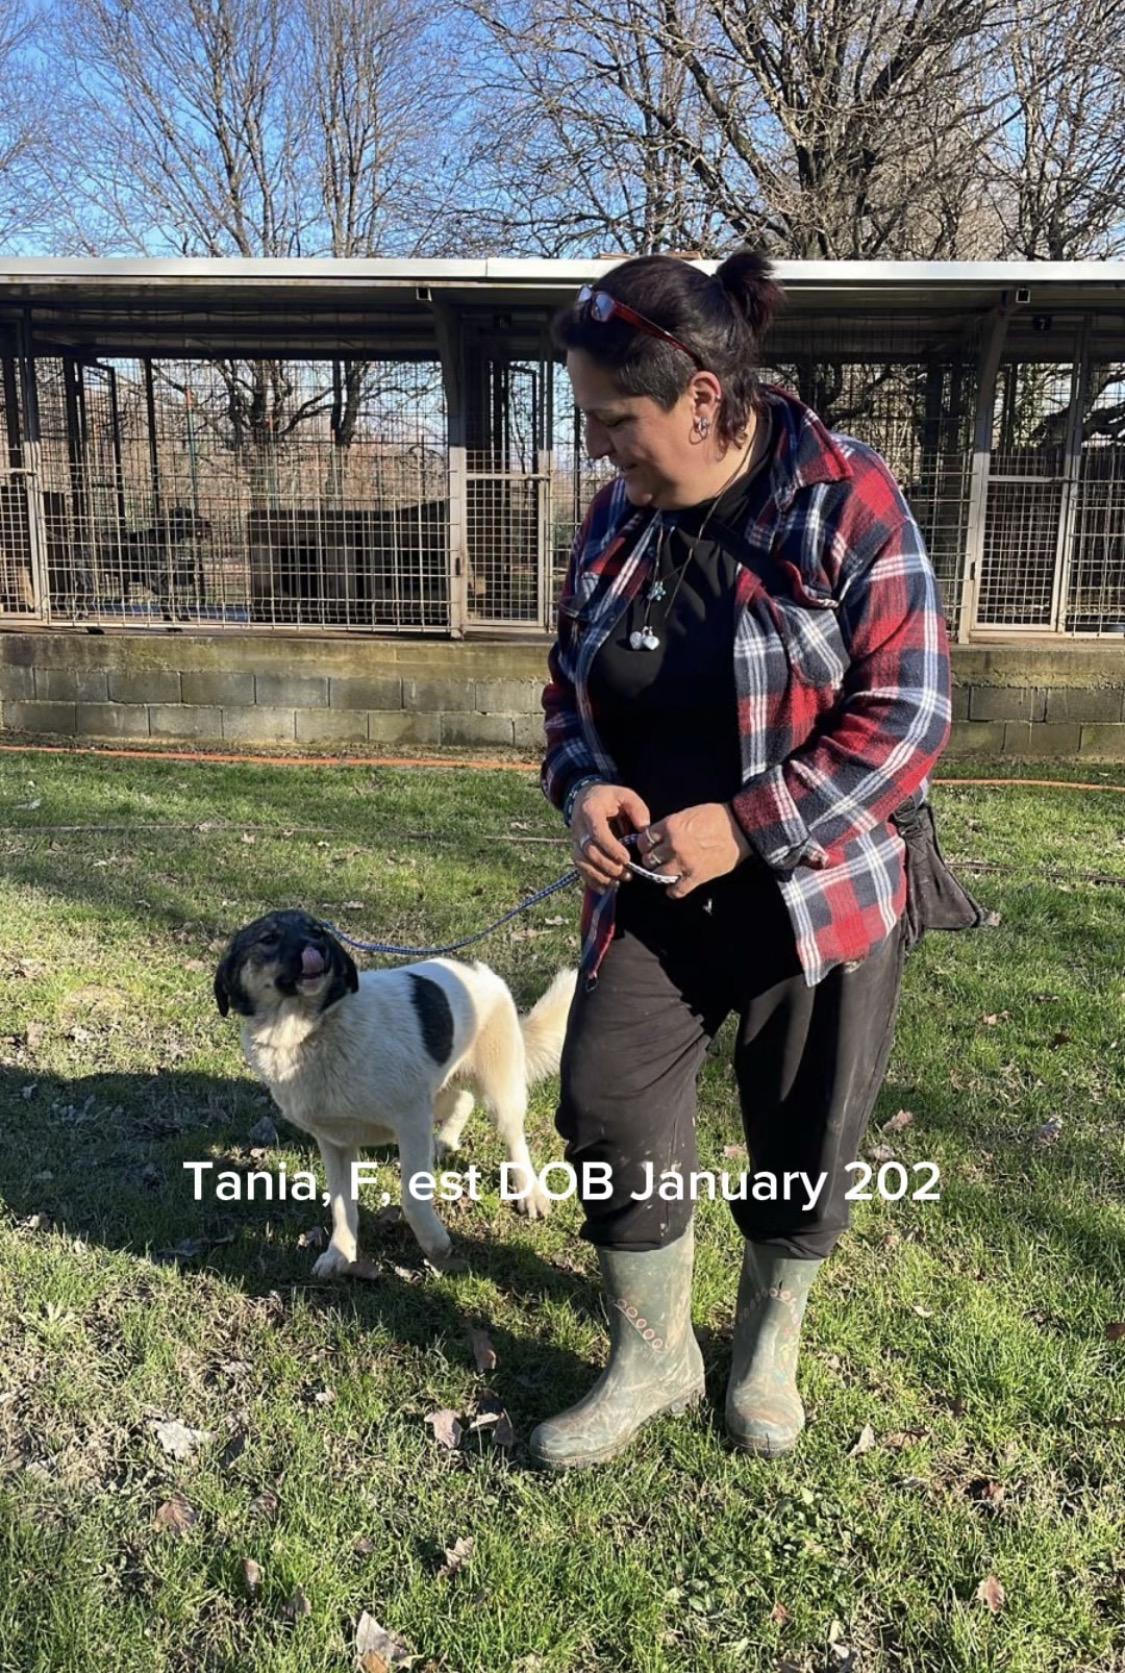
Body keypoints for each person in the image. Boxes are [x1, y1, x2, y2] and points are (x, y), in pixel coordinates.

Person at [530, 248, 955, 1472]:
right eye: (591, 422)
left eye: (618, 420)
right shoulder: (615, 519)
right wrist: (582, 786)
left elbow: (911, 715)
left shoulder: (842, 500)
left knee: (805, 1128)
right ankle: (655, 1354)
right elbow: (568, 685)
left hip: (813, 888)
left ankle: (766, 1341)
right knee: (606, 1093)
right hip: (655, 888)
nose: (600, 448)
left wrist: (753, 820)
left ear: (703, 399)